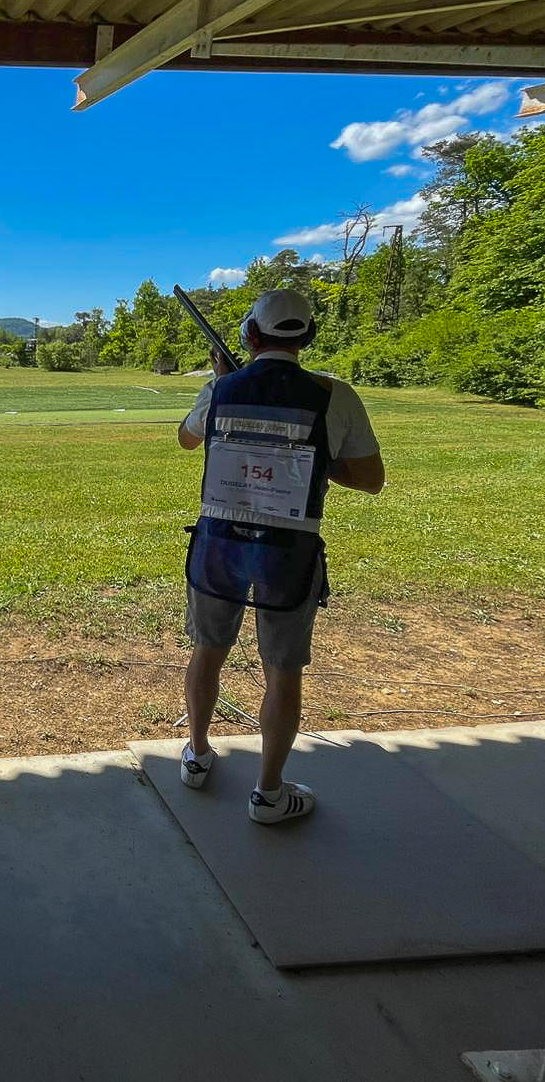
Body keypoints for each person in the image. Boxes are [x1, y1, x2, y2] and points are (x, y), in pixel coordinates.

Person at [174, 289, 384, 824]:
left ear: (250, 336)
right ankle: (268, 794)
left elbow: (186, 440)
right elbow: (369, 479)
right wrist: (310, 457)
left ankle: (196, 755)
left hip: (219, 544)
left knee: (206, 651)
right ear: (307, 338)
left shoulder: (221, 389)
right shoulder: (335, 396)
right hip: (287, 553)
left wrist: (225, 385)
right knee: (282, 671)